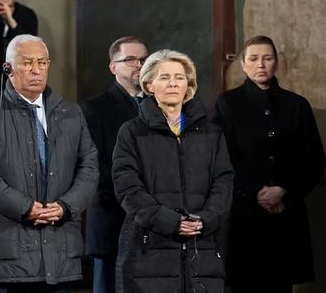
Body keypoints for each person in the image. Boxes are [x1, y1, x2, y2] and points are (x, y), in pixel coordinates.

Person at [0, 34, 98, 292]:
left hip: (61, 251)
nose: (36, 69)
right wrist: (25, 207)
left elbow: (89, 167)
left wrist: (65, 206)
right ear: (8, 68)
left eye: (43, 62)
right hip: (7, 254)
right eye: (27, 62)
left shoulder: (70, 112)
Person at [112, 49, 233, 293]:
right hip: (149, 250)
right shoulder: (132, 132)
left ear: (189, 84)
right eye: (164, 77)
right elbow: (127, 187)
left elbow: (224, 181)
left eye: (179, 77)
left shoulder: (211, 133)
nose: (173, 84)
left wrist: (205, 218)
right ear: (149, 84)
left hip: (203, 248)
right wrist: (171, 222)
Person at [214, 36, 325, 293]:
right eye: (253, 58)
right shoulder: (228, 104)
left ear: (276, 63)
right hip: (243, 216)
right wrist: (257, 193)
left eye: (267, 58)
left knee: (280, 286)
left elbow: (315, 161)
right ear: (243, 64)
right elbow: (221, 159)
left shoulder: (297, 106)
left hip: (285, 216)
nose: (260, 64)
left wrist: (283, 190)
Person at [80, 36, 149, 293]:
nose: (139, 65)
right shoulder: (94, 109)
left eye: (143, 59)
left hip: (155, 223)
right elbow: (94, 166)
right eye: (130, 59)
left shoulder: (161, 106)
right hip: (113, 218)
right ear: (113, 67)